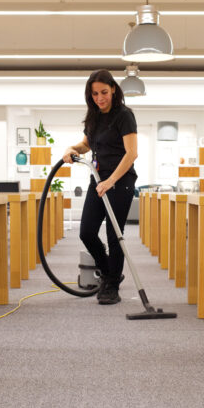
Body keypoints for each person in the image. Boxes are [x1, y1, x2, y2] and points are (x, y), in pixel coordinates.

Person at [63, 69, 138, 305]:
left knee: (114, 234)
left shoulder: (124, 115)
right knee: (86, 231)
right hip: (97, 180)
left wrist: (112, 180)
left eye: (104, 92)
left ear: (113, 89)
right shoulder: (94, 116)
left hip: (120, 181)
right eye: (95, 94)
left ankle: (112, 285)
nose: (100, 98)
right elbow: (87, 143)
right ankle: (110, 272)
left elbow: (131, 153)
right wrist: (71, 149)